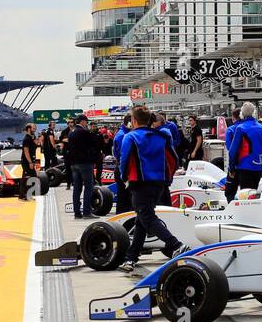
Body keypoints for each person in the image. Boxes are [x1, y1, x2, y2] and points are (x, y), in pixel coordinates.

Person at [117, 106, 185, 272]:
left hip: (139, 183)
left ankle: (176, 245)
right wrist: (167, 179)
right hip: (159, 183)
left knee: (146, 217)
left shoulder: (130, 137)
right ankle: (131, 258)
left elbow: (124, 161)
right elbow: (174, 159)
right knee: (141, 220)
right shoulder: (163, 136)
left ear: (133, 121)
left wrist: (124, 178)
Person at [225, 102, 262, 202]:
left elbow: (232, 151)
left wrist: (232, 168)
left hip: (245, 166)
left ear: (242, 114)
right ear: (254, 113)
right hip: (259, 166)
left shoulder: (241, 128)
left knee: (245, 196)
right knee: (255, 194)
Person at [65, 115, 102, 219]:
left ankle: (77, 213)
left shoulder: (71, 132)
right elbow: (94, 143)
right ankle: (87, 212)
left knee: (77, 188)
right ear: (82, 122)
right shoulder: (83, 132)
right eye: (86, 122)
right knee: (88, 187)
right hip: (84, 163)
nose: (87, 124)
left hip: (74, 164)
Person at [112, 117, 133, 213]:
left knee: (126, 197)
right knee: (123, 197)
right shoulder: (122, 135)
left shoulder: (124, 133)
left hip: (123, 167)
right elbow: (122, 155)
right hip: (122, 167)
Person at [18, 123, 39, 201]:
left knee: (31, 177)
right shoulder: (26, 139)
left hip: (31, 160)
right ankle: (23, 195)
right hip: (27, 161)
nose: (35, 129)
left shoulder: (31, 138)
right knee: (28, 178)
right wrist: (30, 162)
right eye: (33, 128)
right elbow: (26, 152)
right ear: (29, 129)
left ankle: (26, 195)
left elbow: (37, 144)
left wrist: (35, 138)